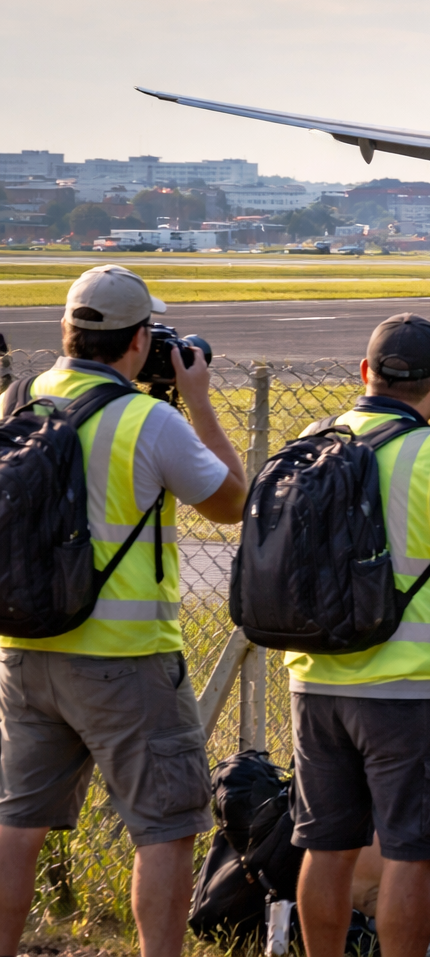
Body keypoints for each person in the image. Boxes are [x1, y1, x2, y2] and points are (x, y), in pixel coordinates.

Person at [0, 266, 248, 957]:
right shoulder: (149, 419)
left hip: (26, 647)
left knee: (17, 821)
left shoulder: (19, 401)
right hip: (125, 660)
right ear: (139, 342)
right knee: (165, 826)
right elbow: (231, 504)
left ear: (66, 332)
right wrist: (197, 400)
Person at [286, 313, 430, 957]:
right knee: (414, 856)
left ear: (366, 372)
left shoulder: (318, 437)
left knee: (326, 848)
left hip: (318, 678)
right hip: (412, 688)